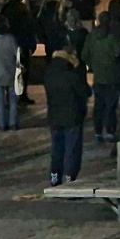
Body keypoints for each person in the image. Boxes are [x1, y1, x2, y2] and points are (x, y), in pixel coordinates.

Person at [44, 46, 89, 186]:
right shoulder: (72, 74)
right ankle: (70, 178)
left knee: (57, 149)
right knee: (72, 150)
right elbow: (85, 91)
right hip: (72, 116)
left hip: (54, 116)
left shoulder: (49, 72)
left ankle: (54, 177)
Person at [80, 12, 120, 142]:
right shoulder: (112, 37)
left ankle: (98, 131)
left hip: (98, 76)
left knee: (99, 105)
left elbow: (84, 55)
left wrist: (92, 65)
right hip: (112, 76)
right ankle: (110, 131)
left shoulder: (91, 36)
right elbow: (118, 53)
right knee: (111, 106)